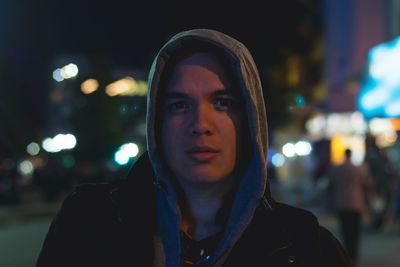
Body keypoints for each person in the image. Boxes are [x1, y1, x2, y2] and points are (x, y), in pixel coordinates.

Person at [36, 29, 352, 267]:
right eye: (179, 105)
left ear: (251, 120)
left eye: (223, 102)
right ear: (156, 122)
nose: (201, 124)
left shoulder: (304, 246)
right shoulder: (87, 222)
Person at [328, 148, 374, 264]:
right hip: (356, 203)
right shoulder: (359, 169)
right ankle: (354, 254)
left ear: (344, 155)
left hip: (342, 203)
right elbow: (366, 185)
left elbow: (331, 186)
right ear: (351, 155)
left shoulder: (337, 169)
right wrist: (368, 203)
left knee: (345, 230)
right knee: (355, 230)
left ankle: (347, 253)